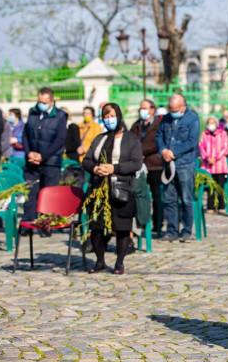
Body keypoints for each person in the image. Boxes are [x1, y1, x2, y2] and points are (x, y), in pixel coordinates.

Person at [82, 103, 142, 274]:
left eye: (112, 116)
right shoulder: (99, 139)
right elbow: (86, 160)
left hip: (121, 187)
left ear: (119, 116)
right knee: (97, 226)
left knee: (122, 225)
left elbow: (136, 163)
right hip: (99, 187)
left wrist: (114, 168)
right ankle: (100, 261)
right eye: (106, 117)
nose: (109, 120)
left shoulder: (131, 139)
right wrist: (95, 168)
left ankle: (119, 263)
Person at [156, 94, 200, 242]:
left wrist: (174, 152)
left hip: (184, 165)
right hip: (168, 165)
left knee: (186, 199)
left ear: (182, 105)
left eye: (175, 109)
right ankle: (171, 231)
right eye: (170, 108)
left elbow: (192, 141)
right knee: (170, 199)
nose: (172, 111)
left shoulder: (192, 118)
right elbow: (159, 136)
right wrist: (163, 151)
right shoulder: (166, 119)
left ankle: (187, 231)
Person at [21, 88, 68, 229]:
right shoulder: (32, 112)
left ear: (51, 101)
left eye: (44, 102)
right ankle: (28, 221)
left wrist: (43, 156)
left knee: (48, 194)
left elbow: (60, 140)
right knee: (31, 191)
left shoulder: (60, 116)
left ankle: (46, 224)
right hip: (32, 161)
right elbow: (25, 135)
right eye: (39, 101)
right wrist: (29, 152)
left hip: (50, 162)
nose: (41, 104)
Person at [131, 99, 163, 235]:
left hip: (155, 165)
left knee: (157, 196)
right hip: (139, 165)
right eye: (141, 108)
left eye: (145, 108)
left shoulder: (159, 124)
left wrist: (143, 152)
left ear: (152, 110)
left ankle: (158, 224)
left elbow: (159, 142)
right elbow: (130, 140)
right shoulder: (136, 125)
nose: (142, 110)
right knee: (138, 195)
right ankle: (140, 223)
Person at [199, 116, 228, 213]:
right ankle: (210, 207)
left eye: (212, 122)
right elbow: (201, 147)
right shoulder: (204, 134)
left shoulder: (223, 134)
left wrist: (216, 158)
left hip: (220, 165)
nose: (211, 124)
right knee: (210, 188)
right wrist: (208, 158)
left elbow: (225, 148)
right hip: (208, 166)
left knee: (220, 186)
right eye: (209, 122)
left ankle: (221, 206)